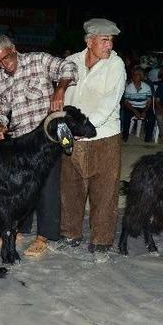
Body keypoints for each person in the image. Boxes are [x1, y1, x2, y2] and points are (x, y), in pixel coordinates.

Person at [0, 34, 77, 257]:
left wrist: (60, 88)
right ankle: (20, 228)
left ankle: (43, 237)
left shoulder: (39, 60)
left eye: (5, 58)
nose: (3, 65)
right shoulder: (0, 79)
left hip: (47, 139)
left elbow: (70, 67)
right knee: (21, 187)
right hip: (20, 142)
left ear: (14, 49)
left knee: (47, 187)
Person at [58, 18, 126, 262]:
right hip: (73, 133)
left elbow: (110, 102)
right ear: (89, 41)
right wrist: (65, 123)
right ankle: (70, 234)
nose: (109, 45)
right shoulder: (71, 62)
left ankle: (101, 241)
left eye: (111, 40)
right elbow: (63, 94)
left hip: (104, 135)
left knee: (105, 190)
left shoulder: (116, 64)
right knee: (70, 187)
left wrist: (85, 127)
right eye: (105, 40)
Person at [121, 67, 155, 143]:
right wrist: (134, 110)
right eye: (134, 75)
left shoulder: (146, 87)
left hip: (144, 107)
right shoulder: (129, 87)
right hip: (132, 107)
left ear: (141, 76)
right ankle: (125, 135)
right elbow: (126, 102)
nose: (135, 76)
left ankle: (148, 137)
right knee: (126, 116)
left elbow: (149, 101)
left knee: (152, 118)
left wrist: (145, 111)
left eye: (137, 75)